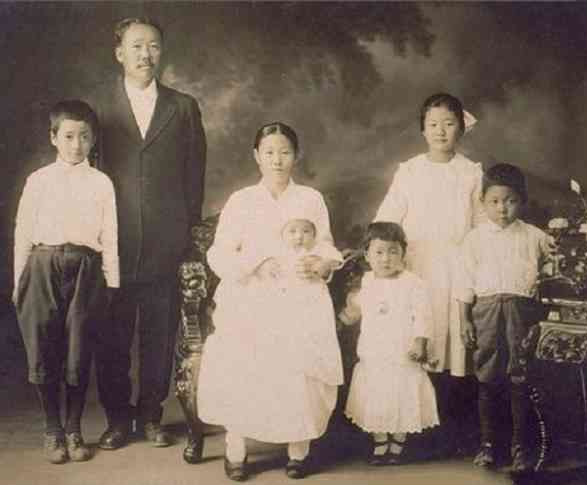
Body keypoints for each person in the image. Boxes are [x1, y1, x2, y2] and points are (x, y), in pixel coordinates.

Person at [196, 122, 343, 481]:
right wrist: (256, 263)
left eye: (285, 152)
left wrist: (322, 263)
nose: (277, 160)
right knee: (245, 359)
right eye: (269, 152)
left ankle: (298, 449)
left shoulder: (310, 198)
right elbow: (219, 253)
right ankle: (236, 449)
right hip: (252, 292)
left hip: (300, 292)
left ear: (296, 156)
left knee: (299, 360)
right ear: (256, 156)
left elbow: (325, 244)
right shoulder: (241, 200)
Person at [90, 17, 207, 449]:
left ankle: (152, 415)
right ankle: (118, 419)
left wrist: (186, 230)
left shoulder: (183, 107)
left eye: (154, 46)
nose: (146, 55)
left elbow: (195, 174)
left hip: (165, 240)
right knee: (113, 334)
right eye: (137, 46)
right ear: (119, 53)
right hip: (113, 243)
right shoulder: (99, 109)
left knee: (160, 332)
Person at [374, 93, 483, 452]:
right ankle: (411, 426)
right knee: (417, 338)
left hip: (456, 267)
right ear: (423, 129)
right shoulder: (409, 170)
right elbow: (388, 217)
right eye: (433, 124)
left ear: (461, 128)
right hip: (417, 266)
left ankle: (451, 430)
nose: (441, 131)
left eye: (449, 124)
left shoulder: (471, 172)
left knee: (454, 344)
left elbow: (481, 225)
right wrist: (381, 254)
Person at [13, 100, 118, 464]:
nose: (77, 145)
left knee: (78, 348)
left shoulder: (101, 182)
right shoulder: (39, 180)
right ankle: (52, 429)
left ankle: (74, 429)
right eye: (69, 136)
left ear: (93, 140)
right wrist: (19, 283)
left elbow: (110, 235)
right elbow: (23, 233)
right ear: (54, 137)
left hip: (87, 268)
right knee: (44, 349)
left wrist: (112, 283)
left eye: (84, 137)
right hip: (42, 266)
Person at [456, 163, 553, 473]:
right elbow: (464, 283)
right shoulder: (474, 239)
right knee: (487, 378)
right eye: (495, 201)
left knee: (519, 377)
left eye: (510, 201)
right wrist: (465, 320)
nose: (502, 209)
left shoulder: (535, 236)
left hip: (522, 313)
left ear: (521, 201)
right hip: (485, 312)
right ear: (483, 202)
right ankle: (488, 444)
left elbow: (553, 272)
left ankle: (520, 446)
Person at [339, 222, 439, 465]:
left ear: (403, 253)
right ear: (368, 255)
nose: (386, 259)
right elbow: (355, 309)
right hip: (375, 353)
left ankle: (398, 442)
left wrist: (419, 342)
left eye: (393, 251)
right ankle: (381, 440)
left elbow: (423, 315)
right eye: (379, 252)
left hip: (402, 353)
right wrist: (341, 319)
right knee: (377, 397)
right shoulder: (367, 281)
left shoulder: (412, 283)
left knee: (401, 396)